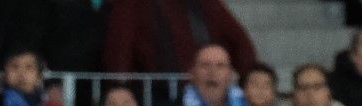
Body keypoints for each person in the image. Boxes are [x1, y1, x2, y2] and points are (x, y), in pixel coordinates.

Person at [99, 0, 255, 76]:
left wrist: (249, 81)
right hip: (160, 96)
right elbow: (119, 50)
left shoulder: (207, 5)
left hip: (200, 90)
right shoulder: (133, 5)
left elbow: (240, 43)